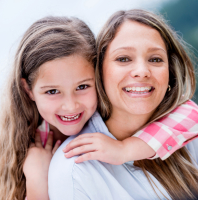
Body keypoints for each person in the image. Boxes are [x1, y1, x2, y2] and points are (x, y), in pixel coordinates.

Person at [0, 15, 198, 200]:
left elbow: (190, 115)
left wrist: (125, 150)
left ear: (98, 74)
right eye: (52, 91)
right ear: (28, 90)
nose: (70, 105)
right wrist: (37, 183)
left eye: (82, 86)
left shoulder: (123, 107)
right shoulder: (37, 144)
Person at [48, 9, 198, 200]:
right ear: (99, 72)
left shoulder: (188, 135)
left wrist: (125, 150)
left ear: (170, 72)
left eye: (155, 59)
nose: (142, 71)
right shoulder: (76, 169)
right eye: (123, 59)